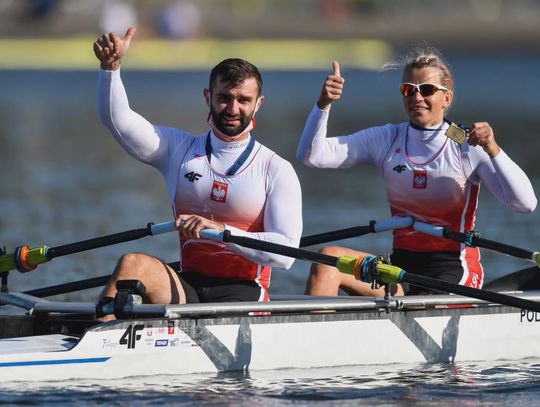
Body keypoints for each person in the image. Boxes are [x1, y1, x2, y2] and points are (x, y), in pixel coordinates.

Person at [92, 27, 302, 313]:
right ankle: (96, 331)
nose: (232, 108)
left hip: (243, 292)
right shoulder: (178, 151)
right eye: (224, 97)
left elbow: (286, 253)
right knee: (133, 264)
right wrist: (111, 68)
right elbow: (118, 120)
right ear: (208, 97)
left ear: (258, 105)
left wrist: (221, 229)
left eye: (243, 100)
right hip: (187, 285)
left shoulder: (276, 169)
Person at [296, 49, 537, 296]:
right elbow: (311, 156)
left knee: (423, 301)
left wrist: (493, 148)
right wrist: (323, 104)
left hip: (453, 270)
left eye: (427, 89)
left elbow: (525, 204)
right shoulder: (387, 139)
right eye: (408, 90)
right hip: (399, 267)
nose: (417, 97)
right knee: (328, 262)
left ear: (446, 98)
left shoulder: (467, 144)